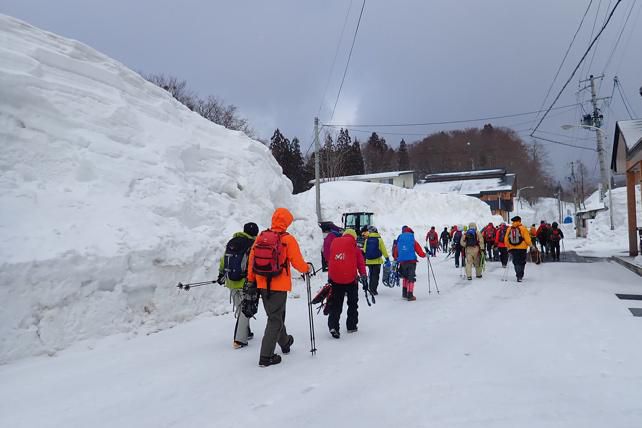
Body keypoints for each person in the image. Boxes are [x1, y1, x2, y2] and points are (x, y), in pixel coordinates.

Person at [247, 208, 309, 367]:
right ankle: (266, 357)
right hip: (278, 284)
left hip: (262, 283)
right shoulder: (287, 239)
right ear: (287, 222)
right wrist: (306, 269)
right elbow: (297, 262)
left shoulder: (261, 236)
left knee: (275, 315)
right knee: (275, 319)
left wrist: (251, 281)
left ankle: (285, 342)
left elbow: (252, 261)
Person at [217, 222, 258, 349]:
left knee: (241, 308)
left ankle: (246, 331)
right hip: (245, 282)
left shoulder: (232, 242)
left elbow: (224, 259)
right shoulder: (252, 244)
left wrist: (221, 274)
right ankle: (240, 340)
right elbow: (253, 263)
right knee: (245, 309)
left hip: (231, 280)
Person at [327, 229, 368, 338]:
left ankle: (333, 326)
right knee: (353, 303)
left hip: (335, 279)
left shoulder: (335, 243)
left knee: (336, 303)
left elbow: (330, 259)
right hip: (350, 279)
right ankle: (351, 325)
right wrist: (363, 275)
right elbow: (361, 264)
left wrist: (330, 277)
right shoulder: (355, 246)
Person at [394, 226, 426, 301]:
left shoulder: (400, 239)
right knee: (411, 277)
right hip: (411, 261)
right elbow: (419, 250)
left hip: (402, 262)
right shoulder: (412, 239)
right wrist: (424, 255)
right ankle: (410, 295)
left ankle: (404, 293)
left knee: (405, 277)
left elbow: (396, 250)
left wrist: (396, 258)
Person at [504, 215, 533, 283]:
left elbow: (506, 239)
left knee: (516, 262)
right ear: (519, 221)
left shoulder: (509, 229)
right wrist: (531, 245)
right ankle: (521, 275)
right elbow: (527, 239)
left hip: (513, 248)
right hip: (522, 248)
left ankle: (518, 276)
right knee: (522, 261)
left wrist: (509, 246)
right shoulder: (523, 228)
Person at [362, 226, 389, 296]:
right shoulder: (379, 239)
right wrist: (387, 258)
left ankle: (370, 289)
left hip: (369, 261)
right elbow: (383, 250)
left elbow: (364, 250)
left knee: (371, 275)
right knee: (375, 276)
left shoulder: (367, 240)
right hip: (377, 261)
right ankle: (374, 290)